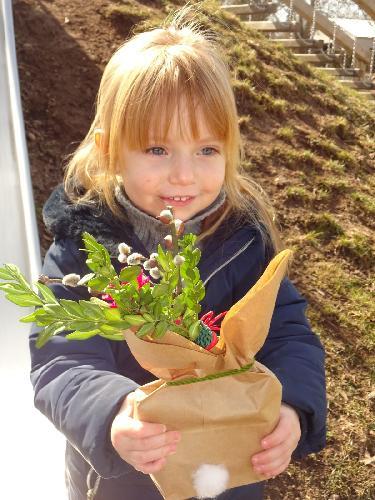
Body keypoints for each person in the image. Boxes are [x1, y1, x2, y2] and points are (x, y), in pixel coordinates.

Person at [29, 5, 326, 500]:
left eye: (207, 150)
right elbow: (60, 362)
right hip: (127, 478)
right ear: (109, 150)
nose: (184, 175)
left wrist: (293, 407)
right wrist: (113, 414)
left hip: (227, 470)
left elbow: (288, 332)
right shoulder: (82, 250)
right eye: (157, 150)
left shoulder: (241, 241)